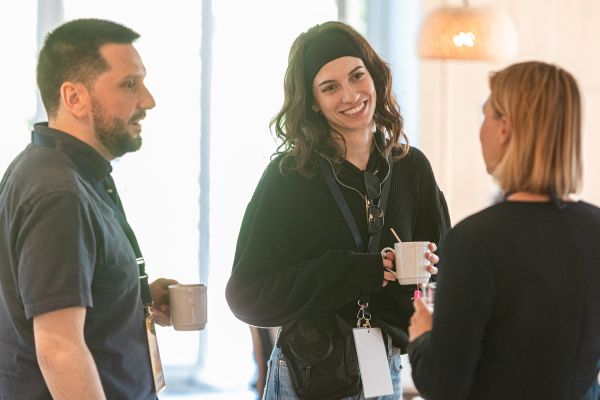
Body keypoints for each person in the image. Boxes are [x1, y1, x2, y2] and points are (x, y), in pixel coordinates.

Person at [226, 21, 450, 399]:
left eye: (357, 76)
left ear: (375, 76)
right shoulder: (289, 177)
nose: (350, 95)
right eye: (330, 87)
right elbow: (247, 295)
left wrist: (424, 274)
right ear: (313, 101)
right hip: (309, 370)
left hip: (383, 367)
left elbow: (443, 279)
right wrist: (355, 271)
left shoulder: (411, 168)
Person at [0, 18, 177, 399]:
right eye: (129, 85)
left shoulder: (56, 169)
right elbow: (59, 349)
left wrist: (134, 297)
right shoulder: (59, 192)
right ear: (74, 97)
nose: (148, 100)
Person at [408, 61, 600, 399]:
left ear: (504, 128)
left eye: (485, 115)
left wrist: (423, 337)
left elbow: (443, 386)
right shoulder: (594, 229)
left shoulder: (474, 240)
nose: (481, 128)